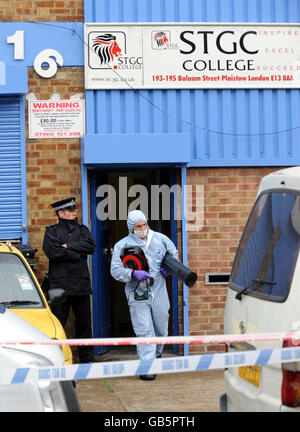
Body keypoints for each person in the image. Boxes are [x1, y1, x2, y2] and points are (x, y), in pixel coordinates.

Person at [110, 209, 178, 380]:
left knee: (161, 327)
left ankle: (156, 353)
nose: (142, 228)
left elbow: (173, 256)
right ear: (131, 228)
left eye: (144, 224)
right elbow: (115, 270)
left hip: (159, 290)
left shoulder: (161, 239)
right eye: (138, 226)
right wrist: (132, 274)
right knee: (144, 329)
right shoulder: (122, 245)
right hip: (137, 292)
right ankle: (147, 366)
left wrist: (168, 268)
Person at [42, 197, 96, 363]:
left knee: (84, 324)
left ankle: (87, 359)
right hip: (59, 286)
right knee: (57, 324)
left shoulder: (83, 230)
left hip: (80, 284)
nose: (75, 212)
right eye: (71, 210)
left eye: (75, 209)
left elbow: (90, 247)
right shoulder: (51, 231)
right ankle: (54, 358)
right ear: (61, 213)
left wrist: (67, 246)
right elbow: (53, 252)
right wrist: (76, 251)